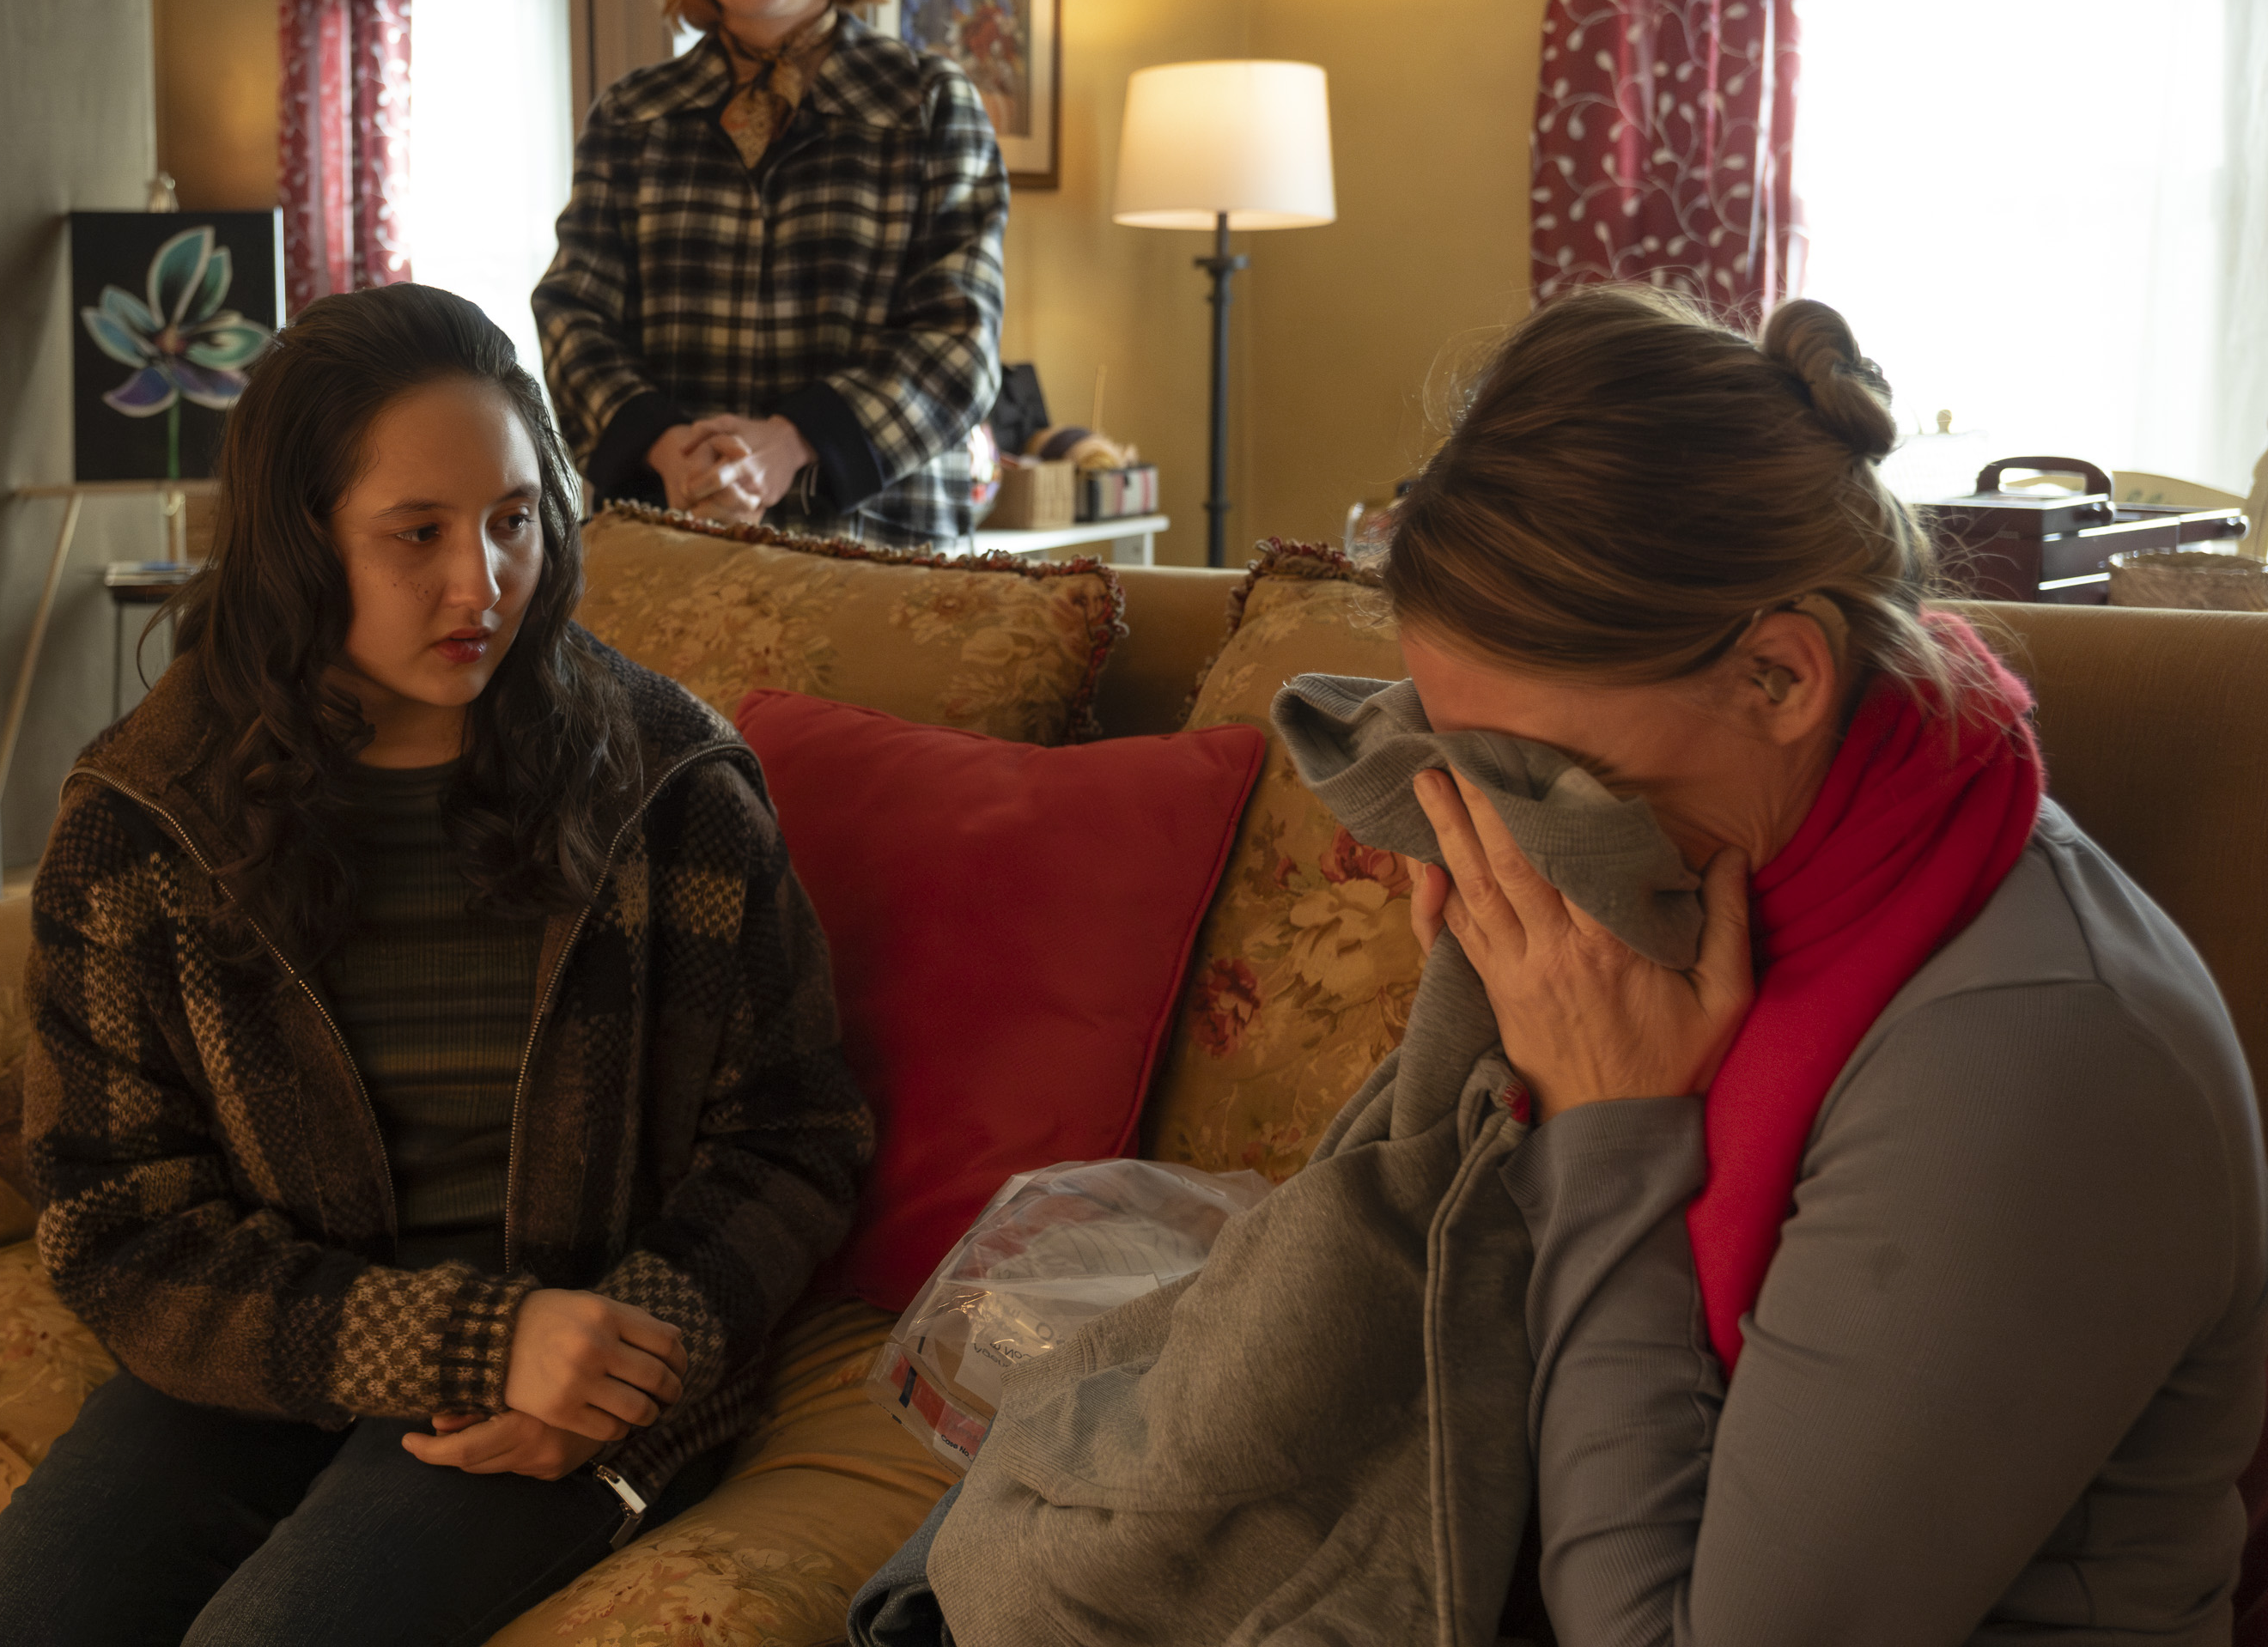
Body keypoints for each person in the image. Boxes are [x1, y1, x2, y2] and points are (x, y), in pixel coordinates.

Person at [854, 288, 2265, 1645]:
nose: (1504, 829)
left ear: (1781, 677)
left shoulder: (2036, 1063)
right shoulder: (1762, 871)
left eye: (1546, 773)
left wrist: (1607, 1134)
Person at [0, 283, 873, 1647]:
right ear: (299, 545)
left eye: (513, 520)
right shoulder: (147, 817)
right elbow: (114, 1218)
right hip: (280, 1335)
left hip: (574, 1347)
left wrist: (625, 1349)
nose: (480, 584)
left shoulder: (673, 788)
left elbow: (794, 1134)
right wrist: (458, 1338)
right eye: (416, 533)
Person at [535, 0, 1008, 548]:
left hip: (877, 552)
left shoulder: (927, 106)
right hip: (671, 539)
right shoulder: (632, 117)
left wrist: (791, 444)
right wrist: (671, 451)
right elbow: (572, 315)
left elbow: (959, 340)